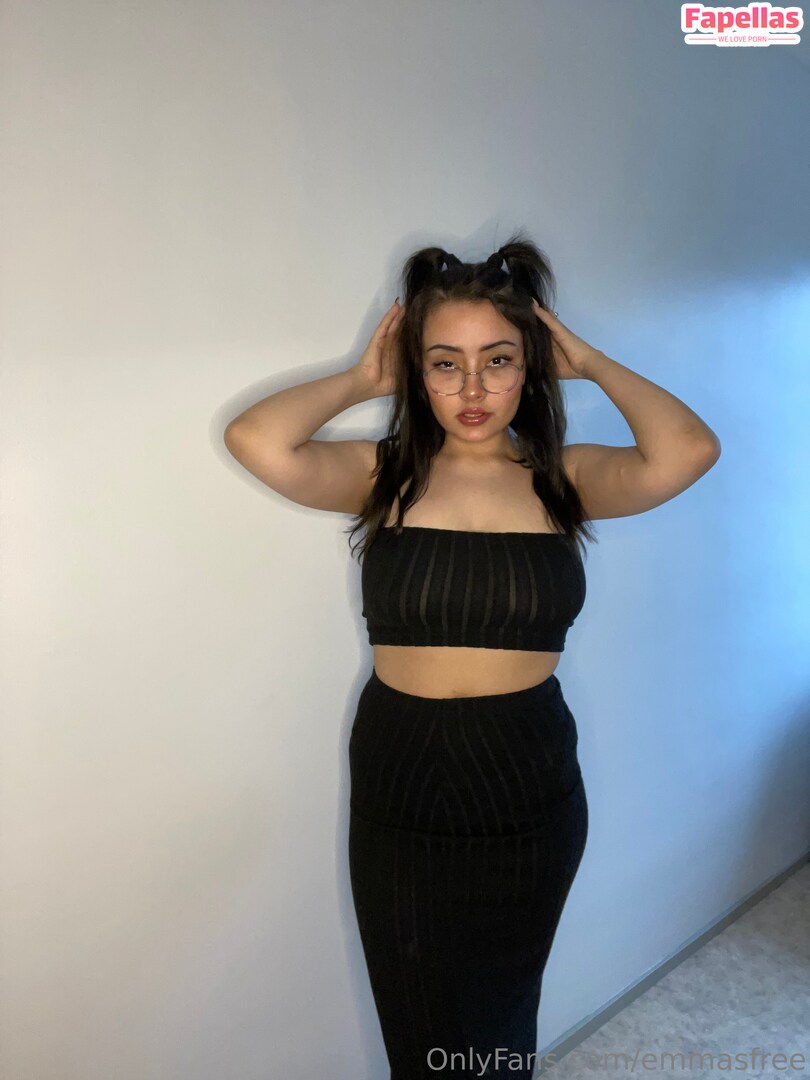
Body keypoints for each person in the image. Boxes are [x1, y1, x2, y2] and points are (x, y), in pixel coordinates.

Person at [223, 231, 721, 1079]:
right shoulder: (385, 476)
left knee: (499, 1021)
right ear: (416, 373)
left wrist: (593, 363)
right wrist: (360, 379)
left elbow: (689, 451)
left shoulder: (564, 480)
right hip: (403, 778)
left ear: (531, 367)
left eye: (498, 360)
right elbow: (256, 439)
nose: (474, 388)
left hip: (525, 781)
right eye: (445, 364)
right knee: (419, 1026)